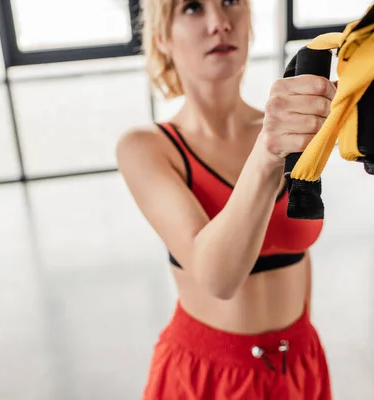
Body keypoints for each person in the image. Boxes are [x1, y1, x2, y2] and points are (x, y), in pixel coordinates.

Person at [116, 0, 336, 398]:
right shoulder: (147, 148)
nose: (219, 23)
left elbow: (299, 254)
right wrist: (267, 156)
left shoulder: (293, 128)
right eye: (193, 8)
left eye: (231, 2)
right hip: (206, 378)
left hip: (299, 364)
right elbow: (217, 278)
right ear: (162, 35)